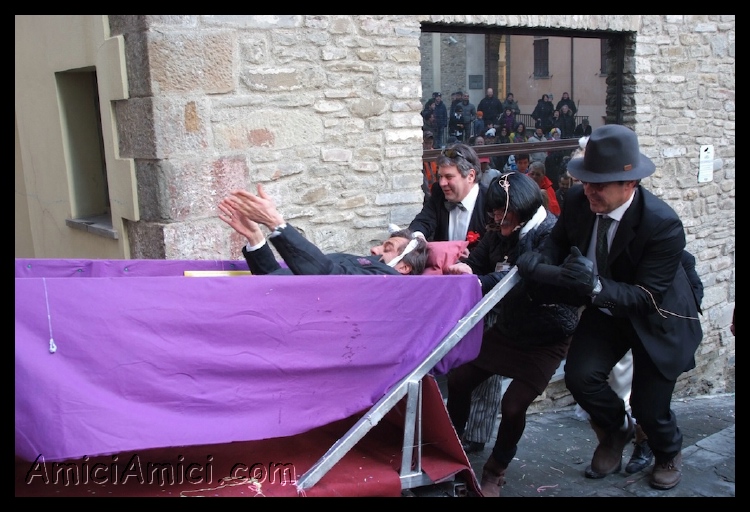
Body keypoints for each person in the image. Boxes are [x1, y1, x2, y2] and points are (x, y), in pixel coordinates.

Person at [516, 124, 704, 491]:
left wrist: (595, 284)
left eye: (599, 185)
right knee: (580, 377)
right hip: (606, 311)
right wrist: (539, 260)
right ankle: (616, 430)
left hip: (656, 318)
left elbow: (646, 296)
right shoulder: (578, 201)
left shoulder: (663, 224)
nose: (589, 190)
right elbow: (558, 243)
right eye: (586, 181)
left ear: (629, 183)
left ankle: (667, 451)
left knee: (650, 407)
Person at [444, 171, 580, 497]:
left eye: (502, 211)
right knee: (459, 377)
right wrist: (466, 269)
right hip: (510, 329)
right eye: (493, 211)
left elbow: (517, 280)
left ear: (523, 208)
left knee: (514, 404)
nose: (495, 217)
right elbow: (480, 261)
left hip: (547, 335)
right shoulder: (500, 230)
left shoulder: (550, 234)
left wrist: (477, 281)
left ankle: (496, 469)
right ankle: (451, 449)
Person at [219, 185, 429, 276]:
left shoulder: (386, 277)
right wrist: (255, 237)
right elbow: (276, 278)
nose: (375, 249)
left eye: (387, 248)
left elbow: (327, 277)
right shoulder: (365, 265)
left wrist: (275, 222)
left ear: (403, 267)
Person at [409, 143, 488, 246]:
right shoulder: (439, 192)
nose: (442, 183)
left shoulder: (489, 201)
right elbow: (422, 222)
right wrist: (418, 238)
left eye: (449, 177)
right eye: (440, 176)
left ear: (470, 176)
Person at [422, 131, 438, 196]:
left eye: (430, 143)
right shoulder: (418, 156)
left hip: (435, 190)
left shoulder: (435, 154)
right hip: (425, 193)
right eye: (426, 143)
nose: (428, 146)